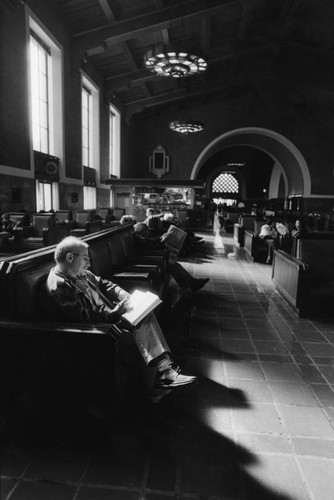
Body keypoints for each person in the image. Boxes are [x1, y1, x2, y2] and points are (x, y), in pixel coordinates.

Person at [45, 236, 197, 403]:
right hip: (100, 331)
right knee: (141, 328)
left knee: (145, 313)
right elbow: (85, 320)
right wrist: (116, 313)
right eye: (85, 258)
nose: (89, 263)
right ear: (69, 257)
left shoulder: (80, 273)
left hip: (110, 317)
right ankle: (158, 383)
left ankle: (162, 375)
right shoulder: (59, 286)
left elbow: (104, 284)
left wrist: (121, 294)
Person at [133, 222, 209, 293]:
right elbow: (151, 247)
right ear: (141, 231)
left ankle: (192, 282)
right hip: (147, 260)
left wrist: (160, 238)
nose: (148, 233)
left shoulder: (140, 237)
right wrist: (162, 241)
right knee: (172, 265)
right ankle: (190, 285)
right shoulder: (139, 239)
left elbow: (151, 241)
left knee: (176, 264)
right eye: (146, 231)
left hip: (151, 257)